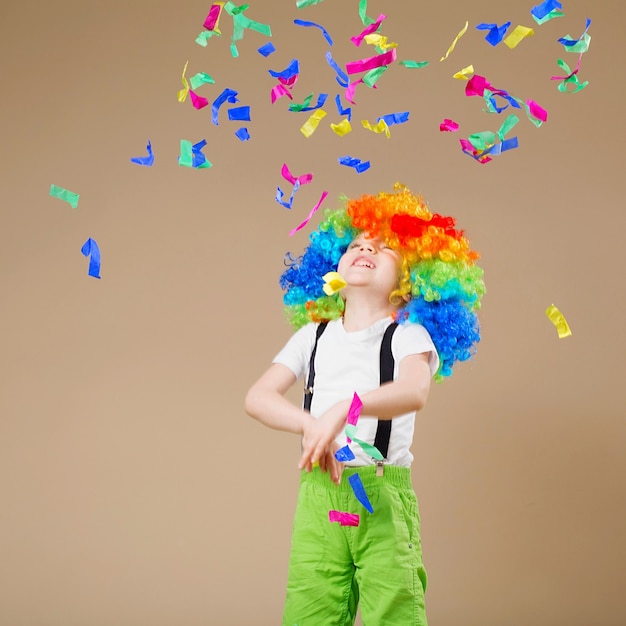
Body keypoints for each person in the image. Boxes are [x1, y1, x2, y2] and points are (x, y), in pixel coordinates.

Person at [245, 184, 485, 626]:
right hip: (320, 497)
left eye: (383, 247)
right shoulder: (312, 336)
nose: (364, 248)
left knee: (392, 613)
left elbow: (414, 392)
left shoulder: (409, 336)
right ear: (332, 264)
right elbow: (257, 398)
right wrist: (310, 424)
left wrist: (341, 411)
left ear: (413, 277)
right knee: (309, 612)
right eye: (355, 244)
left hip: (382, 496)